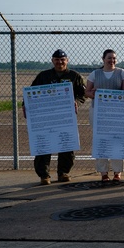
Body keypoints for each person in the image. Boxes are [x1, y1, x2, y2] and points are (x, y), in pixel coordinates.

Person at [23, 49, 85, 185]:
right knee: (44, 145)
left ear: (67, 61)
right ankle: (44, 175)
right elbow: (31, 93)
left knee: (66, 144)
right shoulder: (44, 76)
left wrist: (77, 103)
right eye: (57, 60)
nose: (60, 62)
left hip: (65, 117)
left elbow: (82, 94)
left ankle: (63, 172)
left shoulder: (74, 76)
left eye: (62, 60)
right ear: (52, 61)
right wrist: (25, 105)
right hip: (46, 117)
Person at [85, 49, 124, 183]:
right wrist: (94, 94)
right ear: (103, 59)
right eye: (109, 58)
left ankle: (118, 172)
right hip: (98, 112)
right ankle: (103, 172)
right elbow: (87, 92)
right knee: (101, 140)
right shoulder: (95, 74)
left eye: (114, 58)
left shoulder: (122, 73)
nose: (112, 61)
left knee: (117, 140)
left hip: (117, 114)